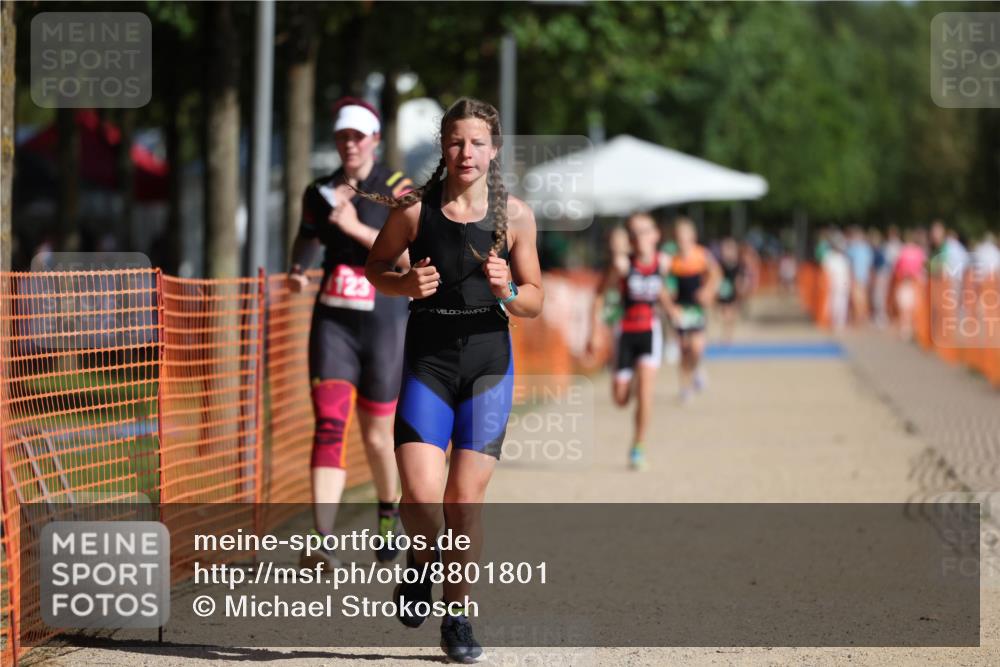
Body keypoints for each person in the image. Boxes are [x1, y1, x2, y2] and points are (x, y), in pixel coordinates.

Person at [364, 97, 543, 663]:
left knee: (463, 502)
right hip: (429, 361)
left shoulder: (513, 215)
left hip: (488, 363)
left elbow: (536, 299)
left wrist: (508, 291)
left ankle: (458, 614)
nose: (467, 153)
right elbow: (375, 269)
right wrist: (403, 285)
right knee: (419, 495)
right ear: (444, 146)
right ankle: (420, 563)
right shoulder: (414, 210)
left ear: (494, 151)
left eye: (477, 143)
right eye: (456, 141)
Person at [287, 97, 414, 569]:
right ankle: (322, 539)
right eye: (343, 136)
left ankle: (388, 514)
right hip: (334, 322)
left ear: (375, 140)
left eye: (359, 136)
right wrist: (299, 267)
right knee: (329, 423)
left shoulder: (399, 189)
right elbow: (306, 235)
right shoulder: (319, 189)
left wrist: (356, 227)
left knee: (379, 436)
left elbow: (407, 259)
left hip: (384, 322)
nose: (350, 144)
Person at [587, 213, 674, 471]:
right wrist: (594, 331)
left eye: (645, 231)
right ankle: (633, 377)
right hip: (625, 332)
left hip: (650, 331)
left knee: (646, 393)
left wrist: (672, 310)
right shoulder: (623, 266)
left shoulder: (665, 262)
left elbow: (661, 289)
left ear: (656, 234)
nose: (640, 237)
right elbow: (600, 295)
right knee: (621, 398)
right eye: (634, 233)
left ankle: (638, 446)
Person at [667, 218, 721, 402]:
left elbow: (716, 274)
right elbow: (665, 283)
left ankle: (697, 369)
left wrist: (708, 291)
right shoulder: (672, 260)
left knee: (696, 348)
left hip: (696, 308)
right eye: (679, 236)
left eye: (685, 235)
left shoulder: (702, 255)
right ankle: (685, 387)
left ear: (692, 236)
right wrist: (670, 304)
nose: (682, 239)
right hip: (680, 308)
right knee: (683, 348)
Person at [893, 228, 927, 342]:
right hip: (916, 282)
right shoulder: (919, 251)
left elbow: (897, 267)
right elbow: (923, 267)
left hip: (906, 282)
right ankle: (914, 330)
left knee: (904, 307)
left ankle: (906, 330)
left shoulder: (903, 251)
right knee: (914, 307)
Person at [716, 237, 745, 344]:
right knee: (724, 314)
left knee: (730, 315)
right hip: (723, 291)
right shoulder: (720, 265)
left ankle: (728, 335)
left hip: (733, 292)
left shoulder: (738, 266)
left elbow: (740, 280)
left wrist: (740, 288)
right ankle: (726, 334)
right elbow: (717, 277)